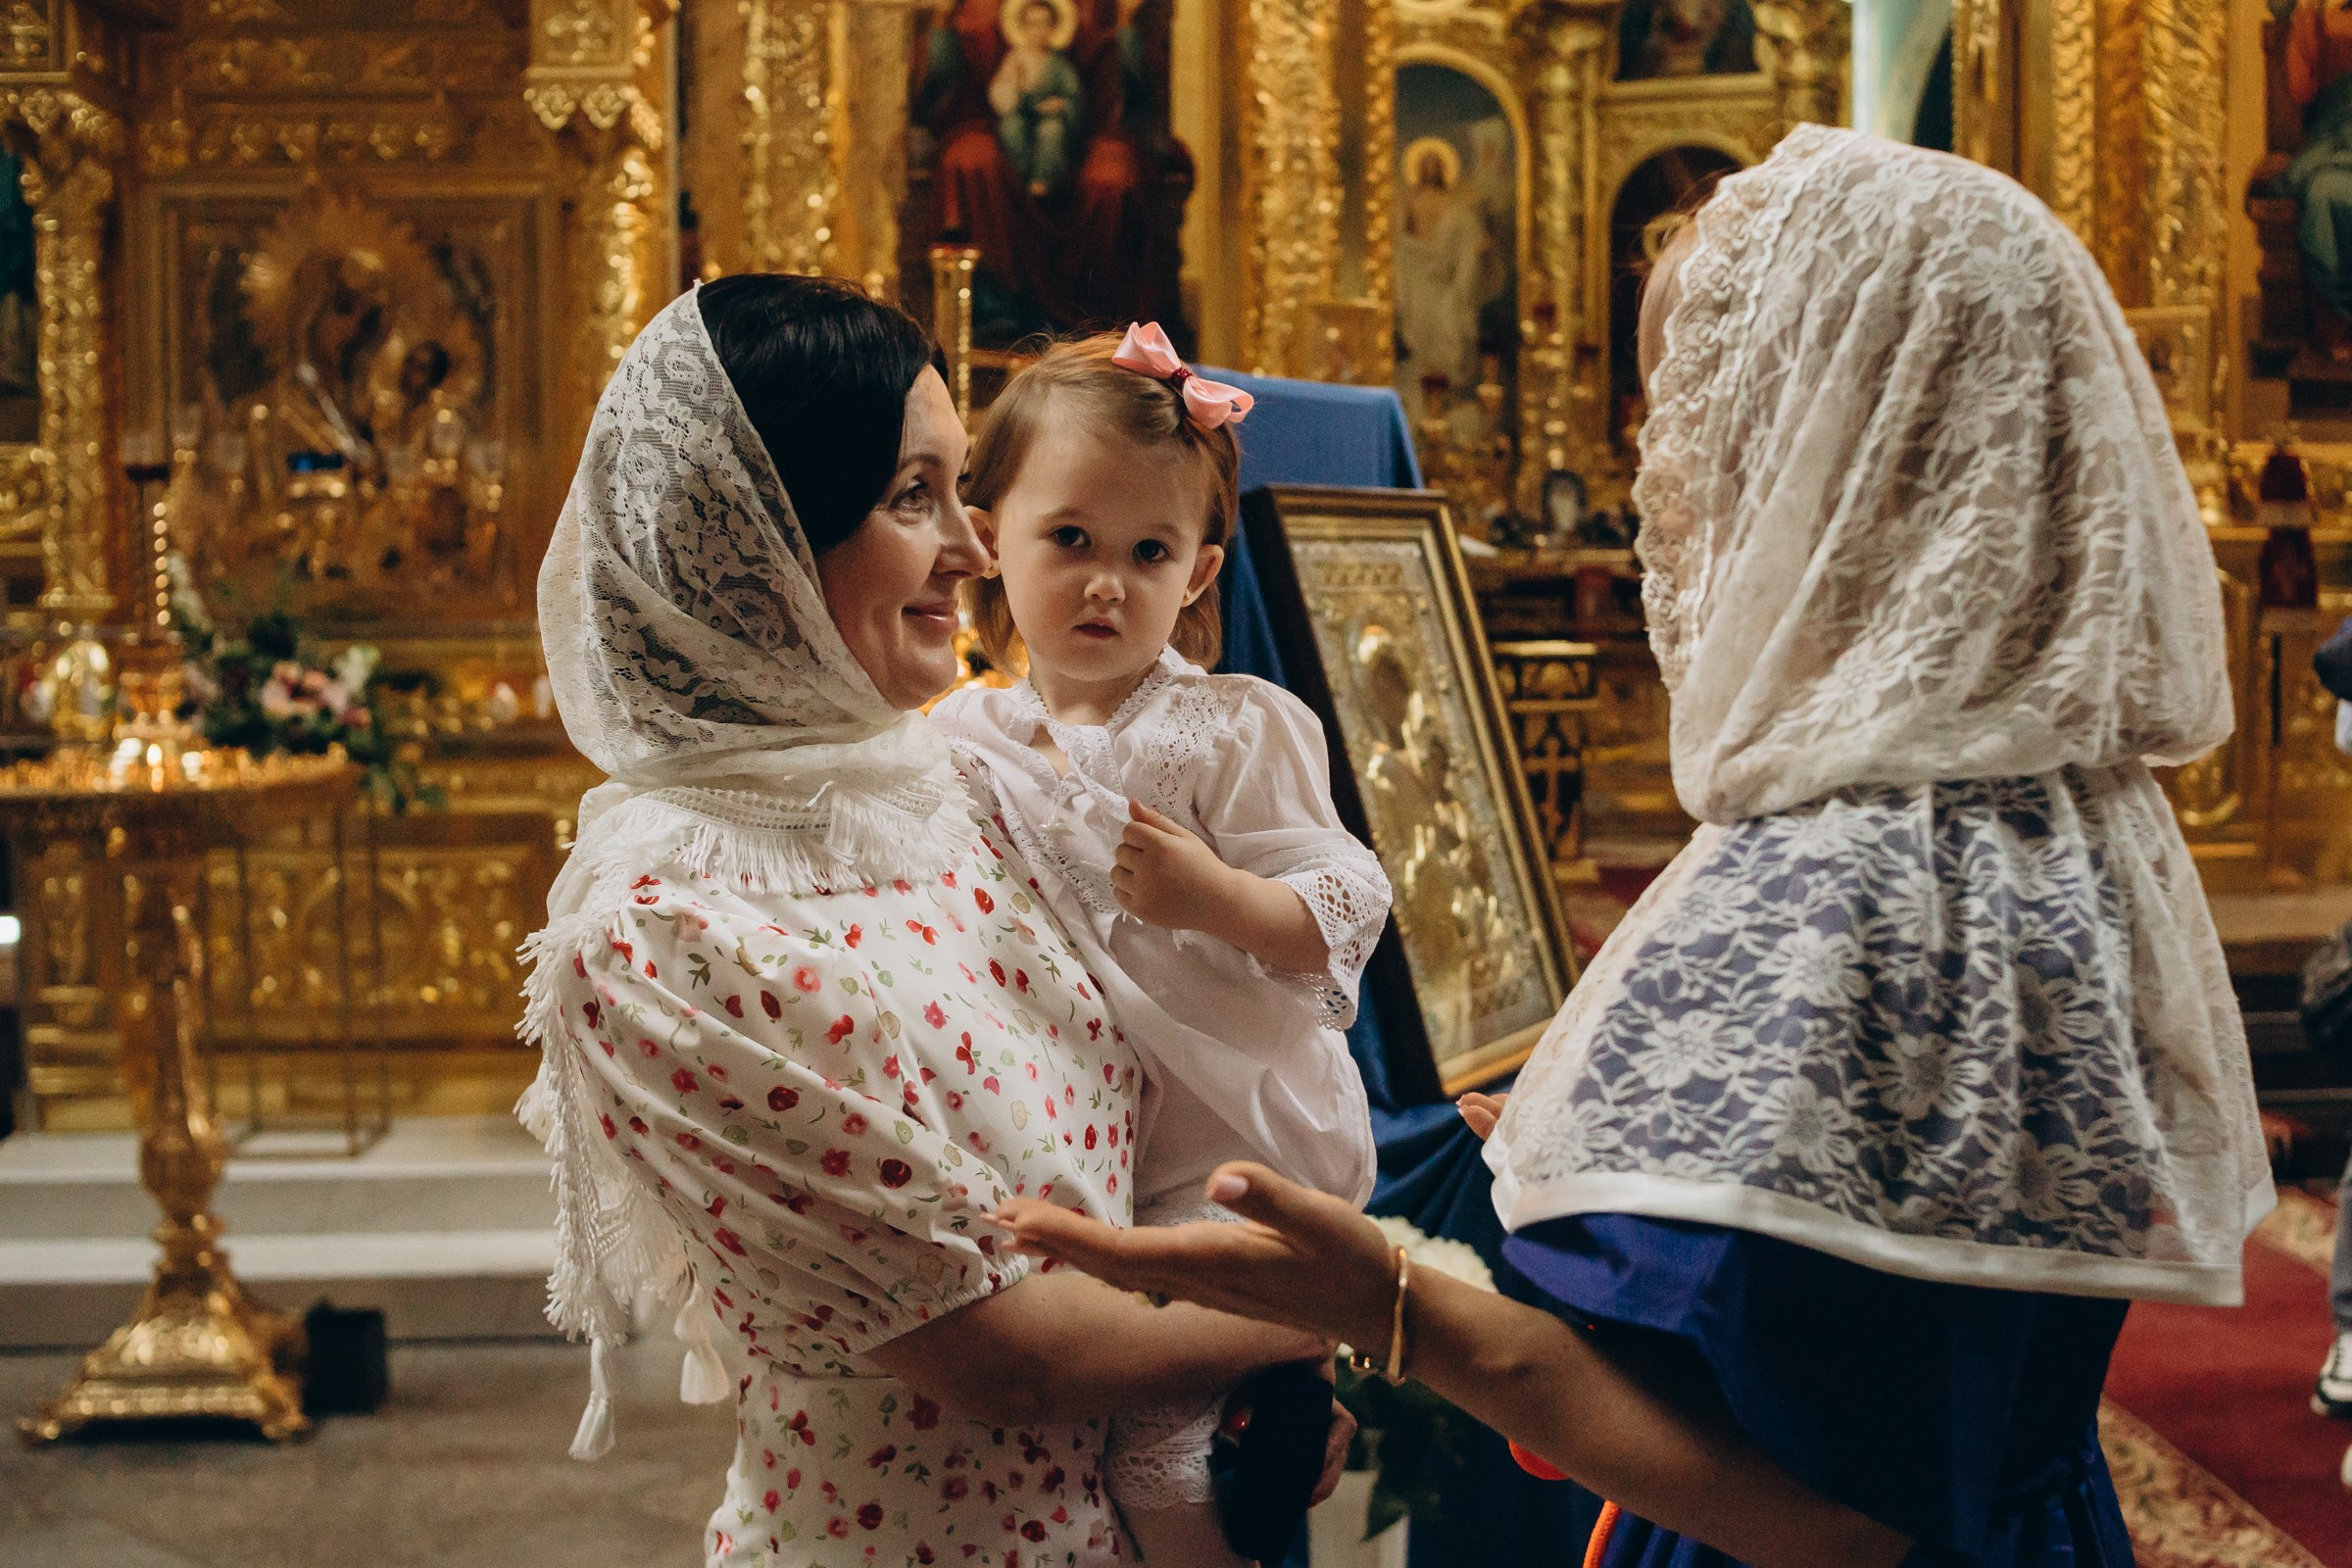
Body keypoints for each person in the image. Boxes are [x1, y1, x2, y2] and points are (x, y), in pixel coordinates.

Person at [1000, 127, 2274, 1568]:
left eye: (1688, 419)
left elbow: (1844, 1525)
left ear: (1837, 453)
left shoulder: (1863, 869)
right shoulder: (2021, 800)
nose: (1659, 477)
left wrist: (1393, 1304)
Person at [516, 273, 1353, 1567]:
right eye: (918, 495)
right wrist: (1341, 1306)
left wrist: (1240, 1385)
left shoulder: (956, 785)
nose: (974, 548)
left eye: (966, 490)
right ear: (762, 528)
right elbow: (1010, 1358)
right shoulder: (661, 933)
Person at [931, 323, 1389, 1567]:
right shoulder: (965, 733)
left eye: (1148, 553)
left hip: (1230, 1131)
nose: (1104, 585)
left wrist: (1218, 900)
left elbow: (1348, 894)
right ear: (988, 535)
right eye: (1069, 539)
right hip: (1091, 1136)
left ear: (1197, 573)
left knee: (1157, 1443)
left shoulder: (1229, 729)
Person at [990, 0, 1084, 198]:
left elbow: (1074, 97)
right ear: (1023, 28)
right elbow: (1000, 93)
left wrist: (1062, 104)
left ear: (1053, 28)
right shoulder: (1014, 59)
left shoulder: (1059, 65)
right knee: (1010, 127)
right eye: (1032, 24)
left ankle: (1043, 180)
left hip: (1051, 118)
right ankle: (1025, 177)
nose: (1038, 30)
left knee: (1051, 129)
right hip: (1020, 114)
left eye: (1044, 24)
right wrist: (1013, 86)